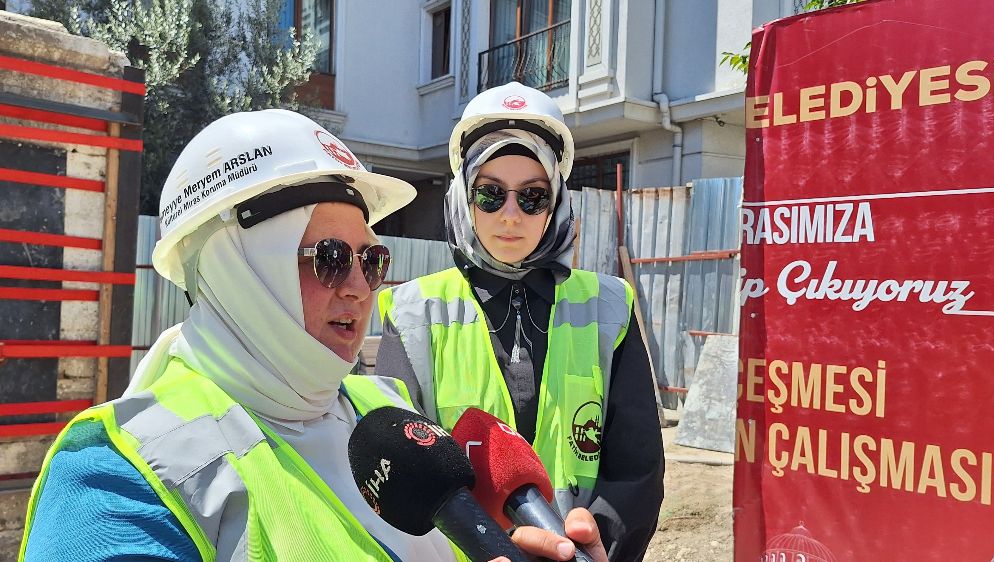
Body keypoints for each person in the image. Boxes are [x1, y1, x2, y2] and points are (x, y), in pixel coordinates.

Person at [19, 109, 607, 562]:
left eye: (372, 259)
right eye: (328, 258)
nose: (359, 287)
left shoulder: (393, 416)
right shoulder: (114, 479)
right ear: (235, 272)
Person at [375, 82, 665, 562]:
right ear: (464, 198)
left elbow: (638, 472)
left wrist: (592, 548)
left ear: (555, 204)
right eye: (490, 194)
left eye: (532, 196)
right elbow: (402, 472)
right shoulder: (412, 313)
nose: (511, 216)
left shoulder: (609, 305)